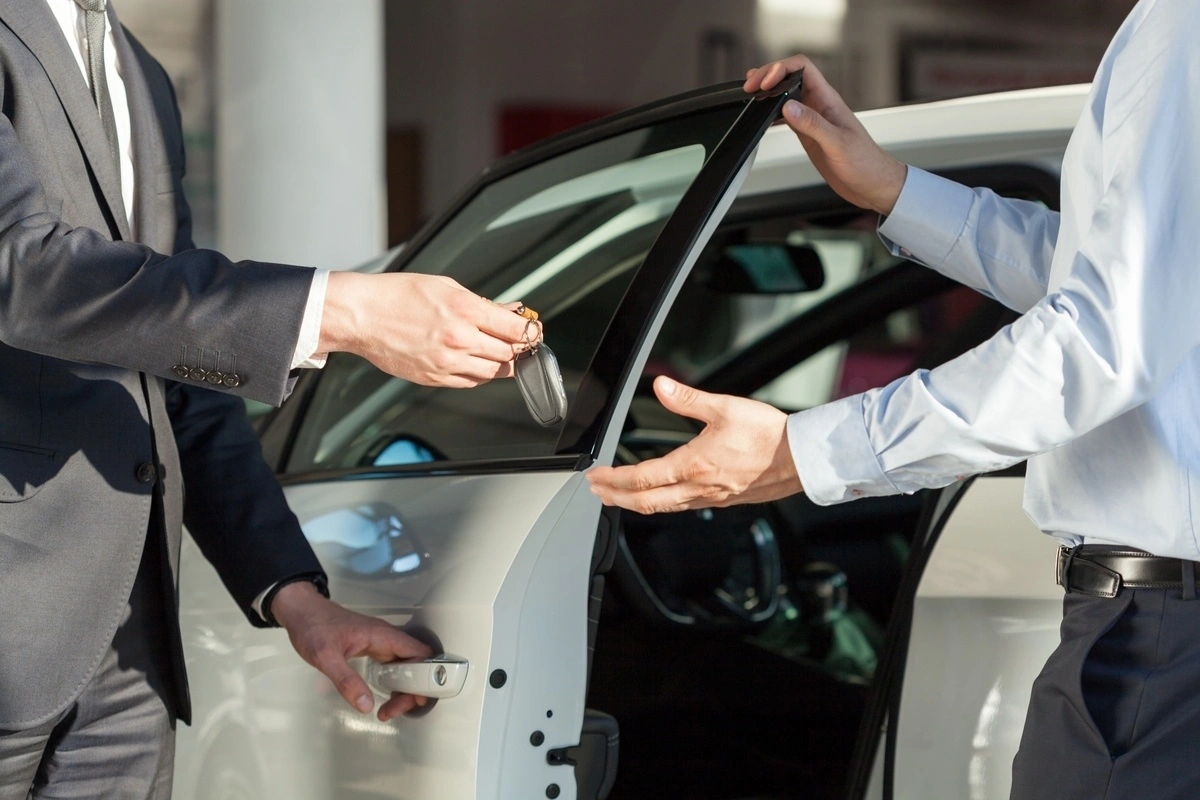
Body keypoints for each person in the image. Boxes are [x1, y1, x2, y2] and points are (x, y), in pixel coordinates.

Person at [588, 0, 1200, 797]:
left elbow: (1103, 335)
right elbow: (1128, 284)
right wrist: (895, 190)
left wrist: (807, 452)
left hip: (1158, 639)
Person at [0, 1, 535, 797]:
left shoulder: (140, 73)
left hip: (133, 665)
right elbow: (24, 274)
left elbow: (169, 370)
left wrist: (291, 594)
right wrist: (338, 310)